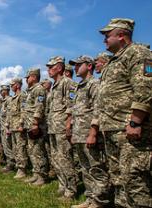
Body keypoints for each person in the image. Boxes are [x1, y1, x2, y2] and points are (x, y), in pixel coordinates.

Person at [87, 18, 152, 207]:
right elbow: (103, 99)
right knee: (118, 178)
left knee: (135, 180)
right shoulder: (114, 62)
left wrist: (135, 122)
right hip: (112, 129)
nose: (104, 40)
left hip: (129, 130)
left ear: (121, 35)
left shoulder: (139, 53)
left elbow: (146, 88)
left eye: (108, 36)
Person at [69, 55, 110, 208]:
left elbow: (98, 110)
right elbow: (75, 111)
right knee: (85, 168)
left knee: (96, 168)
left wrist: (93, 133)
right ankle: (90, 197)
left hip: (89, 133)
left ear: (89, 66)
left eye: (79, 65)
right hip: (79, 133)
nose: (75, 68)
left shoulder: (94, 84)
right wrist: (73, 132)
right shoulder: (80, 86)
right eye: (75, 65)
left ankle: (100, 201)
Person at [46, 56, 78, 199]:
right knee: (56, 158)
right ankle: (62, 184)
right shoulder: (54, 86)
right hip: (53, 127)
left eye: (50, 67)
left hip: (62, 127)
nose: (48, 70)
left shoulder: (68, 83)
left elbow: (72, 106)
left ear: (59, 68)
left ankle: (71, 189)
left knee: (65, 158)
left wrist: (68, 125)